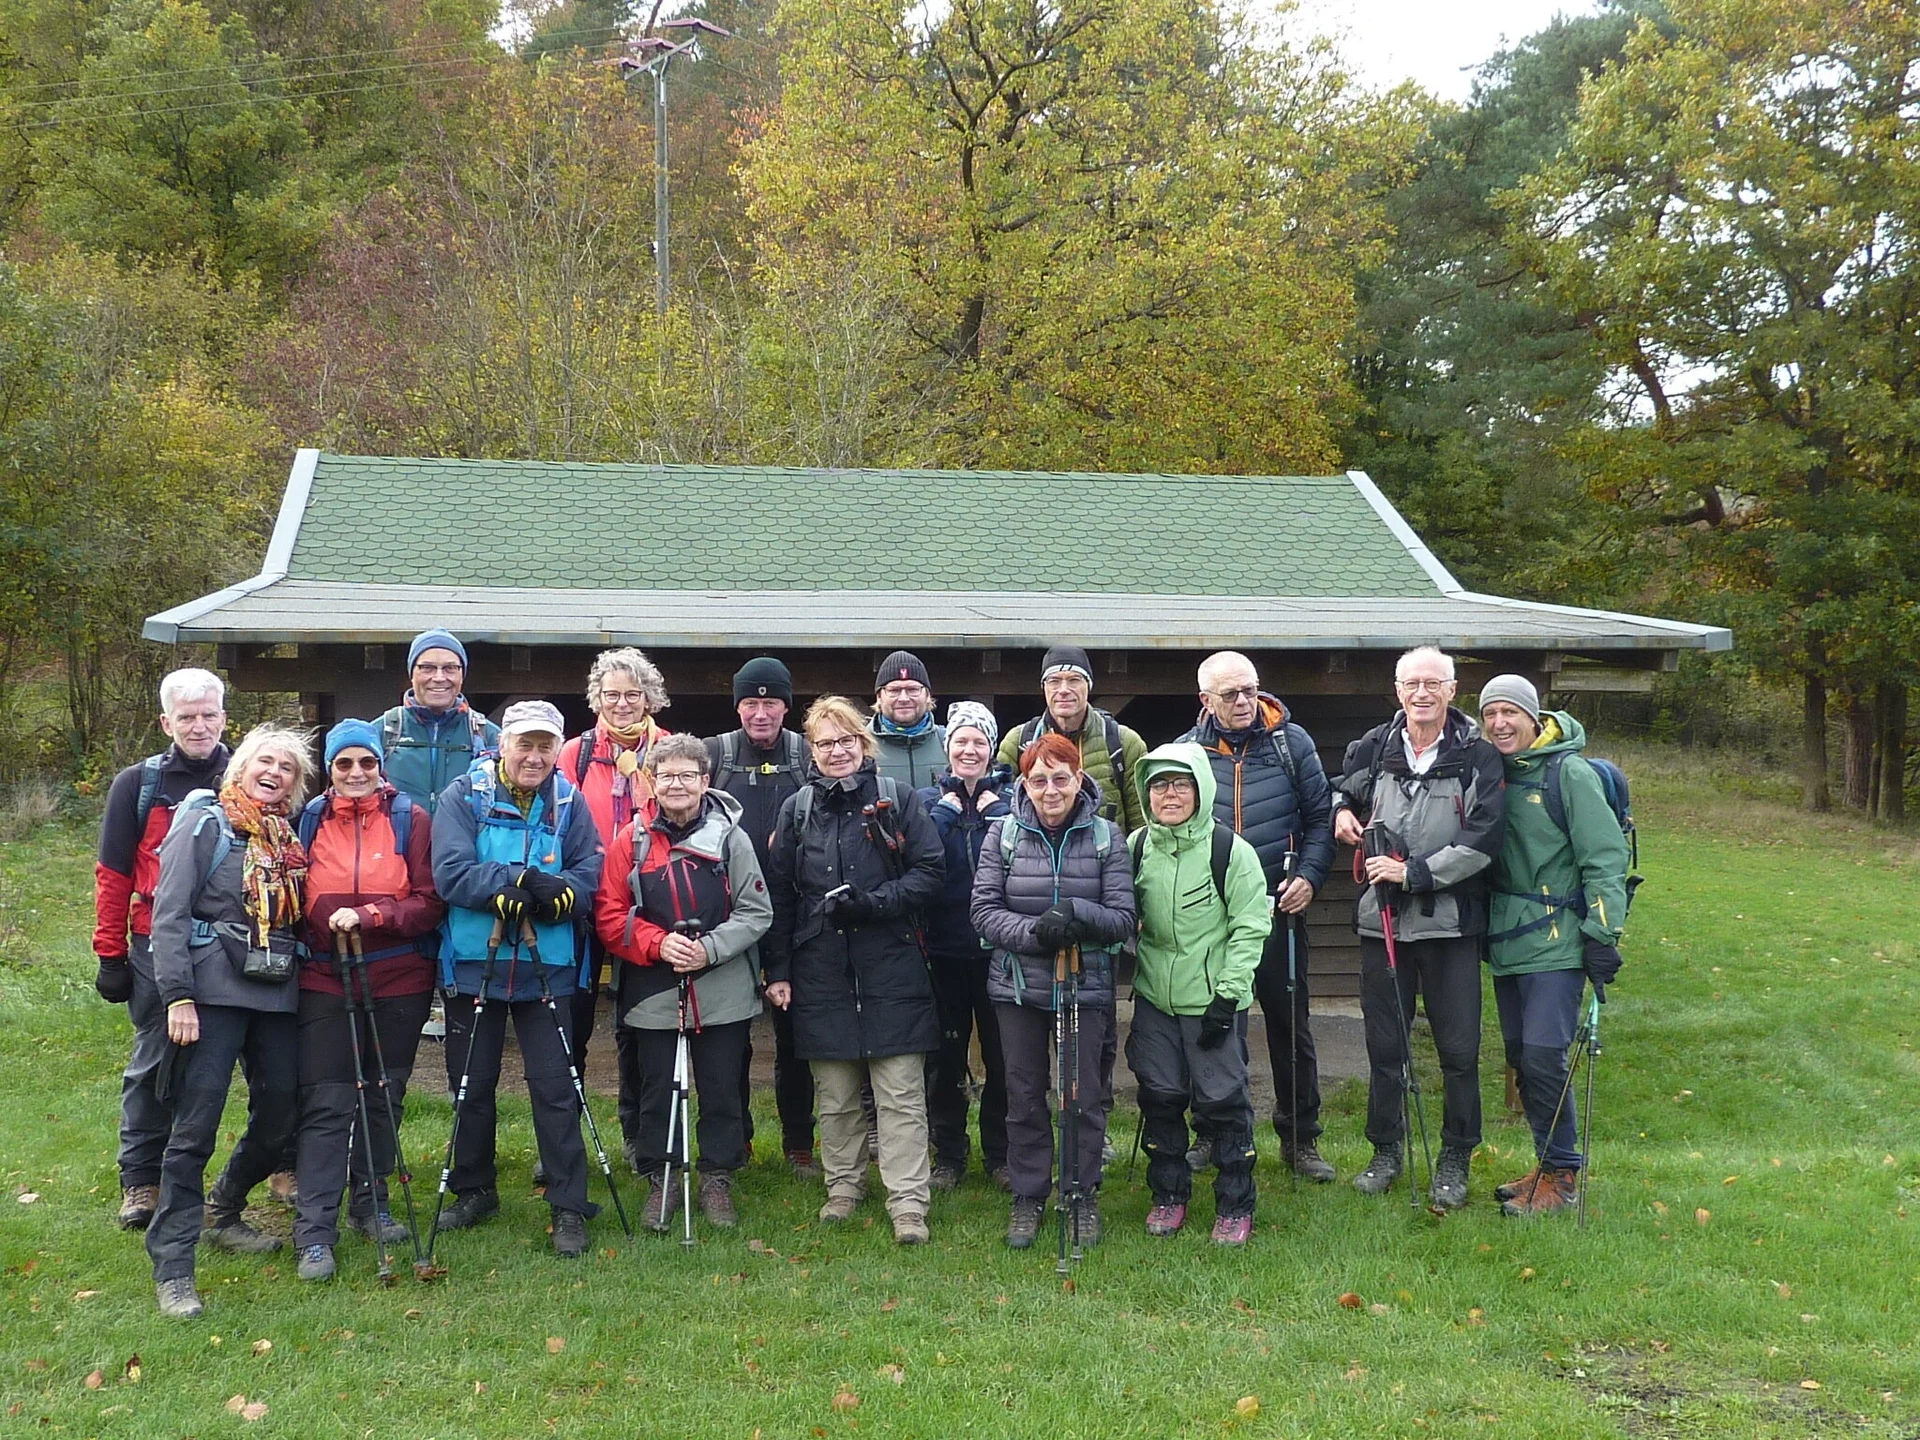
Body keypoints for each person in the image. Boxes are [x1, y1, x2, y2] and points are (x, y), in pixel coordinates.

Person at [145, 724, 315, 1318]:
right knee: (195, 1127)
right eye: (264, 761)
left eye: (287, 768)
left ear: (295, 786)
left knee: (280, 1116)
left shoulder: (289, 839)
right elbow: (167, 915)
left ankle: (225, 1207)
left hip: (275, 993)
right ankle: (174, 1265)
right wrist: (177, 997)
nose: (274, 773)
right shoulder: (204, 824)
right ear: (240, 767)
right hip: (209, 996)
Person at [763, 696, 945, 1245]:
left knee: (900, 1094)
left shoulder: (899, 800)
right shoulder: (796, 810)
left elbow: (930, 872)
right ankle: (843, 1186)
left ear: (864, 745)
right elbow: (780, 894)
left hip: (892, 964)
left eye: (846, 741)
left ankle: (908, 1202)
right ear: (812, 752)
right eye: (825, 743)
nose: (837, 751)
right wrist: (778, 969)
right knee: (836, 1094)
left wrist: (875, 902)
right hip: (820, 967)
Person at [1332, 646, 1506, 1209]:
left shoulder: (1479, 757)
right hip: (1379, 922)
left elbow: (1484, 841)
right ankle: (1385, 1150)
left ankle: (1455, 1156)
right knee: (1386, 1046)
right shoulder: (1374, 746)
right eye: (1413, 683)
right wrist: (1340, 812)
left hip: (1450, 925)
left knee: (1458, 1049)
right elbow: (1342, 788)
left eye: (1435, 683)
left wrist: (1416, 874)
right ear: (1398, 690)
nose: (1423, 693)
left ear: (1453, 690)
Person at [429, 701, 605, 1257]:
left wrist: (557, 899)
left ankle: (568, 1204)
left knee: (556, 1089)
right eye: (523, 744)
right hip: (475, 962)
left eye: (545, 746)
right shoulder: (464, 795)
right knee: (471, 1085)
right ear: (501, 743)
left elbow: (588, 875)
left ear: (558, 750)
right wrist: (515, 879)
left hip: (548, 965)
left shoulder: (570, 801)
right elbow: (450, 872)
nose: (533, 756)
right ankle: (474, 1188)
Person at [596, 735, 772, 1231]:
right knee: (658, 1089)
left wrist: (708, 949)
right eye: (667, 775)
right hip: (652, 989)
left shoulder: (731, 839)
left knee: (721, 1089)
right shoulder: (628, 842)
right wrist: (658, 944)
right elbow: (609, 916)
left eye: (687, 775)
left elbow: (757, 911)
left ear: (705, 781)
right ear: (652, 781)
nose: (677, 784)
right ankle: (663, 1177)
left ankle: (718, 1177)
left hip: (722, 987)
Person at [290, 720, 446, 1281]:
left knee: (385, 1094)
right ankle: (314, 1229)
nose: (356, 774)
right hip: (326, 976)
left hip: (398, 975)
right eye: (343, 765)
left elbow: (431, 902)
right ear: (329, 770)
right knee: (328, 1102)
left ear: (381, 766)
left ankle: (371, 1201)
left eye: (366, 764)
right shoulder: (307, 820)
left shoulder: (411, 819)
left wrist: (374, 915)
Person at [969, 732, 1134, 1249]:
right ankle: (1028, 1194)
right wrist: (1036, 932)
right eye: (1038, 780)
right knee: (1022, 1096)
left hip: (1085, 986)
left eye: (1060, 778)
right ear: (1025, 783)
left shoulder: (1107, 837)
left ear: (1079, 778)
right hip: (1017, 988)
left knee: (1082, 1098)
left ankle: (1081, 1193)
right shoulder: (1003, 836)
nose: (1050, 789)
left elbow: (1124, 917)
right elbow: (984, 911)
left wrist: (1079, 916)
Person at [1179, 651, 1336, 1181]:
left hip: (1281, 910)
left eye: (1250, 690)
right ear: (1206, 700)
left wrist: (1310, 877)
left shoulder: (1294, 745)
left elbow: (1320, 818)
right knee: (1216, 1031)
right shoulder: (1185, 753)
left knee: (1291, 1030)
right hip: (1212, 919)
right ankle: (1214, 1132)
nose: (1244, 701)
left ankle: (1300, 1139)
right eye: (1230, 694)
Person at [1477, 676, 1628, 1216]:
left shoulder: (1571, 773)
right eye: (1490, 713)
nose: (1499, 723)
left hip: (1560, 940)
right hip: (1506, 940)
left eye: (1510, 712)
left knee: (1543, 1055)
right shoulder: (1493, 772)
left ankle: (1561, 1177)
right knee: (1523, 1057)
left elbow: (1605, 857)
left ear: (1534, 716)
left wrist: (1603, 933)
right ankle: (1546, 1164)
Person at [93, 668, 232, 1233]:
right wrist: (110, 955)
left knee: (259, 1059)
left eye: (208, 715)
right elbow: (113, 873)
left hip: (235, 946)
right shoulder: (138, 784)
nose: (198, 726)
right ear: (165, 721)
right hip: (157, 943)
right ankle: (141, 1180)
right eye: (186, 717)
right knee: (155, 1062)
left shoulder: (250, 775)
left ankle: (282, 1168)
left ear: (225, 717)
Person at [1126, 742, 1271, 1244]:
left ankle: (1235, 1204)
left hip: (1211, 1002)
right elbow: (1122, 909)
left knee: (1223, 1103)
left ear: (1200, 791)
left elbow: (1251, 925)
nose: (1170, 794)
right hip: (1154, 1000)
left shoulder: (1230, 851)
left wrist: (1228, 996)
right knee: (1160, 1098)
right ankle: (1168, 1194)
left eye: (1180, 784)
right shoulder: (1138, 845)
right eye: (1159, 785)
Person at [704, 657, 819, 1178]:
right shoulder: (716, 754)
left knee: (796, 1039)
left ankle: (799, 1141)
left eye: (771, 702)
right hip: (731, 914)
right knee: (733, 1036)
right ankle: (739, 1141)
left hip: (797, 913)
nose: (761, 712)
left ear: (786, 706)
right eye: (751, 702)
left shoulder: (807, 754)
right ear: (738, 706)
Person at [557, 647, 671, 1162]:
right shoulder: (574, 754)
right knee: (571, 1022)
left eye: (632, 694)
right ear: (596, 698)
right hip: (582, 904)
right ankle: (564, 1141)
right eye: (611, 694)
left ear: (650, 697)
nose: (622, 704)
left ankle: (635, 1135)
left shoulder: (668, 751)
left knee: (636, 1025)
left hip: (645, 905)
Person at [917, 701, 1013, 1191]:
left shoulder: (1014, 800)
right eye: (961, 742)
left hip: (1000, 952)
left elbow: (1023, 858)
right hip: (944, 950)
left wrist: (997, 813)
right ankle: (949, 1154)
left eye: (979, 741)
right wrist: (944, 814)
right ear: (948, 747)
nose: (969, 750)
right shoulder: (927, 802)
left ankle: (1001, 1154)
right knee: (945, 1059)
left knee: (1002, 1058)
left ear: (991, 748)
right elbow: (919, 860)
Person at [995, 644, 1148, 834]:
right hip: (1038, 859)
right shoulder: (1018, 742)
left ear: (1089, 685)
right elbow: (1002, 817)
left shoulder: (1123, 743)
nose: (1064, 689)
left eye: (1074, 680)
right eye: (1054, 681)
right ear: (1044, 688)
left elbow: (1142, 826)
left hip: (1105, 859)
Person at [378, 629, 501, 814]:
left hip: (463, 841)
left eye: (450, 668)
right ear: (412, 674)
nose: (439, 677)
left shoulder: (486, 734)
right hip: (399, 841)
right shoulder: (385, 730)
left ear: (462, 675)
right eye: (427, 667)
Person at [867, 651, 947, 788]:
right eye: (894, 690)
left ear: (928, 695)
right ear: (879, 697)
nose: (904, 698)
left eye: (913, 689)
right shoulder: (861, 745)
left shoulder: (950, 742)